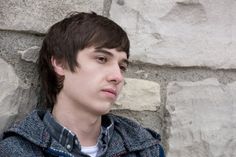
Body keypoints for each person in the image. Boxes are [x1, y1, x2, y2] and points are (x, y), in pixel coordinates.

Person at [0, 12, 165, 157]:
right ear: (60, 63)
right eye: (102, 59)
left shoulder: (147, 148)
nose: (117, 77)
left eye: (122, 67)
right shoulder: (15, 151)